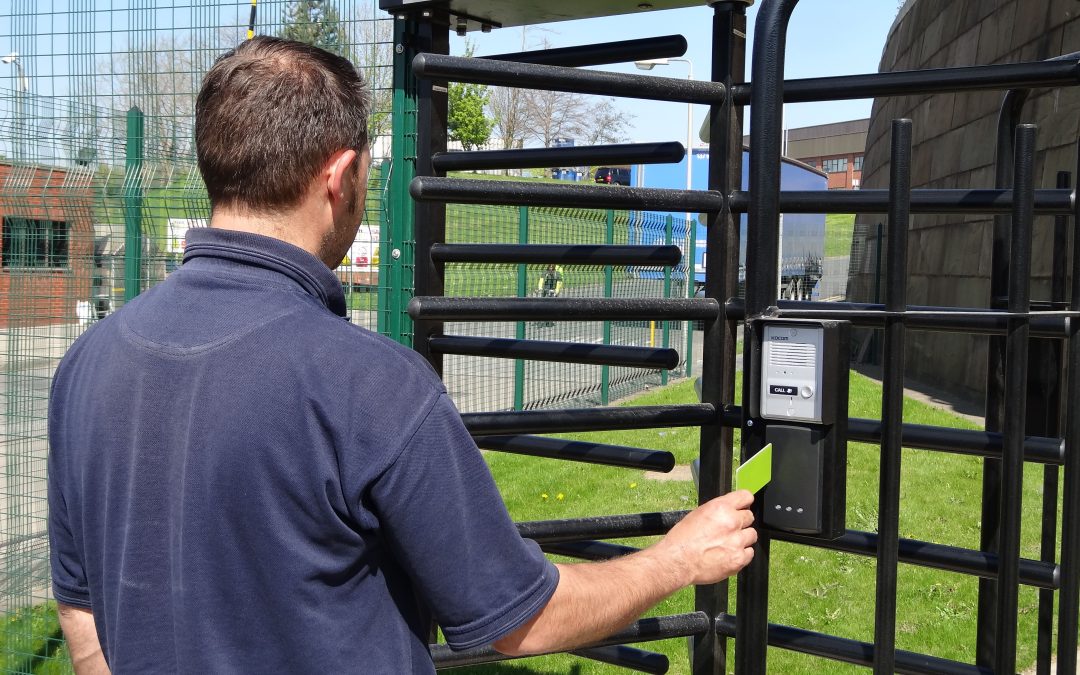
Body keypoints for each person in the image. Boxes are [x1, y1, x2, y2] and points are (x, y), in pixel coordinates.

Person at [48, 36, 756, 674]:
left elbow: (80, 610)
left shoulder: (86, 364)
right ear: (342, 175)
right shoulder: (367, 385)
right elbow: (520, 616)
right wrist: (677, 558)